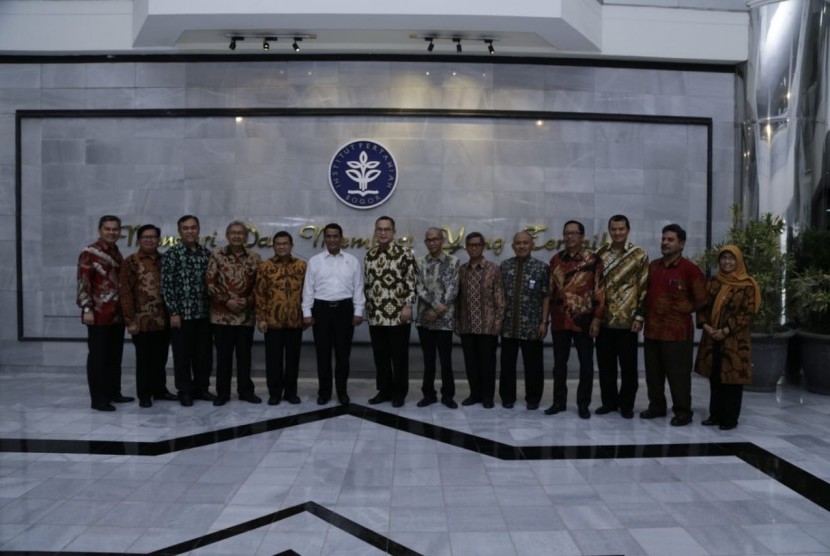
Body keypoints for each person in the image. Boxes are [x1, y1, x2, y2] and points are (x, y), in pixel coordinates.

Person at [641, 223, 708, 426]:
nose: (665, 243)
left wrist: (682, 310)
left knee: (678, 376)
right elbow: (645, 296)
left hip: (677, 333)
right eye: (663, 239)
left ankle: (682, 412)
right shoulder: (653, 266)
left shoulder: (690, 270)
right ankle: (657, 407)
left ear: (682, 243)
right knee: (653, 375)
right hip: (652, 330)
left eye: (670, 240)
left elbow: (702, 300)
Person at [694, 245, 760, 430]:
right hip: (712, 337)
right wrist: (706, 326)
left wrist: (725, 330)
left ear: (738, 261)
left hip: (734, 341)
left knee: (732, 380)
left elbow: (747, 313)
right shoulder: (714, 281)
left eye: (731, 258)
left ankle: (730, 419)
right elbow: (702, 306)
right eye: (724, 258)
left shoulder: (747, 285)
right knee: (715, 377)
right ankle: (715, 414)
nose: (727, 262)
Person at [545, 220, 605, 419]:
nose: (569, 237)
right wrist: (545, 320)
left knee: (586, 364)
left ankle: (583, 404)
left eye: (573, 233)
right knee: (559, 364)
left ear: (582, 236)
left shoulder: (593, 260)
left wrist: (597, 319)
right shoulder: (555, 260)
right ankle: (559, 402)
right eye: (566, 233)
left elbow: (600, 291)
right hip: (560, 320)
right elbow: (550, 293)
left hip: (584, 321)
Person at [301, 223, 365, 406]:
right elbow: (308, 290)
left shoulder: (352, 261)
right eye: (328, 236)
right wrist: (307, 312)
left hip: (345, 310)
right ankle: (324, 392)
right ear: (324, 239)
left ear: (341, 238)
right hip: (321, 311)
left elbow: (358, 287)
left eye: (335, 236)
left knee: (343, 355)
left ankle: (342, 392)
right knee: (323, 355)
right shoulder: (315, 261)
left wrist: (358, 311)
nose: (332, 239)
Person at [594, 215, 649, 419]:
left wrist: (640, 317)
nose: (617, 233)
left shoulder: (639, 255)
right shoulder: (599, 254)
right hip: (604, 320)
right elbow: (596, 287)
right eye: (613, 229)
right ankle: (608, 402)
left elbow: (644, 287)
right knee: (605, 366)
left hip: (628, 322)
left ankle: (626, 405)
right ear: (609, 230)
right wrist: (595, 317)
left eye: (621, 229)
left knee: (628, 368)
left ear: (628, 230)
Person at [76, 215, 132, 411]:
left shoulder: (116, 252)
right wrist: (86, 308)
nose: (112, 232)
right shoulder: (89, 252)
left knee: (114, 356)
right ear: (100, 230)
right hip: (98, 314)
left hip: (117, 315)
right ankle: (99, 400)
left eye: (115, 229)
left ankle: (114, 393)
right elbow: (83, 282)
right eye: (108, 229)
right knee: (98, 358)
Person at [119, 224, 177, 408]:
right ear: (139, 239)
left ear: (158, 240)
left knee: (160, 358)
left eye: (153, 237)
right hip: (141, 321)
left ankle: (160, 390)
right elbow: (126, 292)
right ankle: (144, 394)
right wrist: (130, 320)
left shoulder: (165, 260)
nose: (150, 240)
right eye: (146, 237)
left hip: (163, 319)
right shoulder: (131, 262)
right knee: (144, 359)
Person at [206, 220, 262, 406]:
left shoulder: (254, 257)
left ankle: (246, 392)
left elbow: (259, 286)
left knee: (244, 357)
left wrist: (247, 301)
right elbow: (210, 283)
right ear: (228, 236)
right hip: (222, 316)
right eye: (233, 233)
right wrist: (226, 301)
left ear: (246, 237)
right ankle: (222, 393)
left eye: (241, 233)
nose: (237, 236)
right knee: (223, 357)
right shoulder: (217, 255)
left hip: (246, 317)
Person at [162, 215, 216, 406]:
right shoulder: (172, 254)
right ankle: (185, 390)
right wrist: (173, 312)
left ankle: (201, 388)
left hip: (204, 314)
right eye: (186, 228)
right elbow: (166, 286)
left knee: (203, 355)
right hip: (182, 316)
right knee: (182, 355)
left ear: (199, 230)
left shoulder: (206, 254)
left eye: (193, 228)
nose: (190, 231)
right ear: (179, 231)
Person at [364, 216, 418, 408]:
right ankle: (384, 390)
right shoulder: (369, 255)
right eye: (379, 229)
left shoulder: (405, 254)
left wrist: (408, 306)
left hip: (398, 316)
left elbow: (411, 283)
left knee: (399, 356)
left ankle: (399, 392)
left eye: (387, 229)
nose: (383, 232)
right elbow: (366, 284)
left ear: (394, 232)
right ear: (375, 231)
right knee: (381, 356)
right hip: (376, 316)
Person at [255, 231, 307, 406]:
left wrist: (307, 316)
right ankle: (275, 393)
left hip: (295, 321)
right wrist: (261, 318)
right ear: (274, 246)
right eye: (278, 244)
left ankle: (291, 393)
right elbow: (260, 294)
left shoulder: (301, 266)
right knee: (273, 360)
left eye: (285, 243)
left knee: (293, 359)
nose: (282, 246)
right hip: (272, 321)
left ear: (292, 246)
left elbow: (308, 293)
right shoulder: (265, 266)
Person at [499, 231, 550, 410]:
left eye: (525, 243)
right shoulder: (504, 267)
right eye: (518, 243)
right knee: (507, 364)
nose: (521, 246)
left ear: (532, 245)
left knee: (533, 365)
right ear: (513, 246)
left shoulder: (541, 268)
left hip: (532, 326)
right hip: (508, 325)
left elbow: (546, 297)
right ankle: (507, 397)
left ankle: (533, 398)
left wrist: (544, 322)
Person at [455, 232, 505, 409]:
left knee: (488, 363)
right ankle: (474, 394)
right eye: (470, 245)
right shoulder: (461, 270)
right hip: (467, 325)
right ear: (466, 247)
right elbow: (457, 298)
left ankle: (487, 396)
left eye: (477, 245)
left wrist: (498, 323)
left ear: (483, 246)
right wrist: (457, 322)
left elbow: (499, 298)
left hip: (488, 326)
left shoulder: (493, 269)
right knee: (471, 363)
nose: (473, 248)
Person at [415, 227, 460, 409]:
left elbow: (453, 287)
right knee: (428, 359)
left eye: (435, 239)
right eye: (429, 239)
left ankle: (448, 395)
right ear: (425, 242)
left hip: (445, 319)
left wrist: (439, 308)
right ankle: (428, 394)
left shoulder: (453, 261)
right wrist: (435, 306)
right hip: (425, 318)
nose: (432, 242)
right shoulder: (419, 262)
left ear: (442, 241)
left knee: (445, 360)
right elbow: (418, 287)